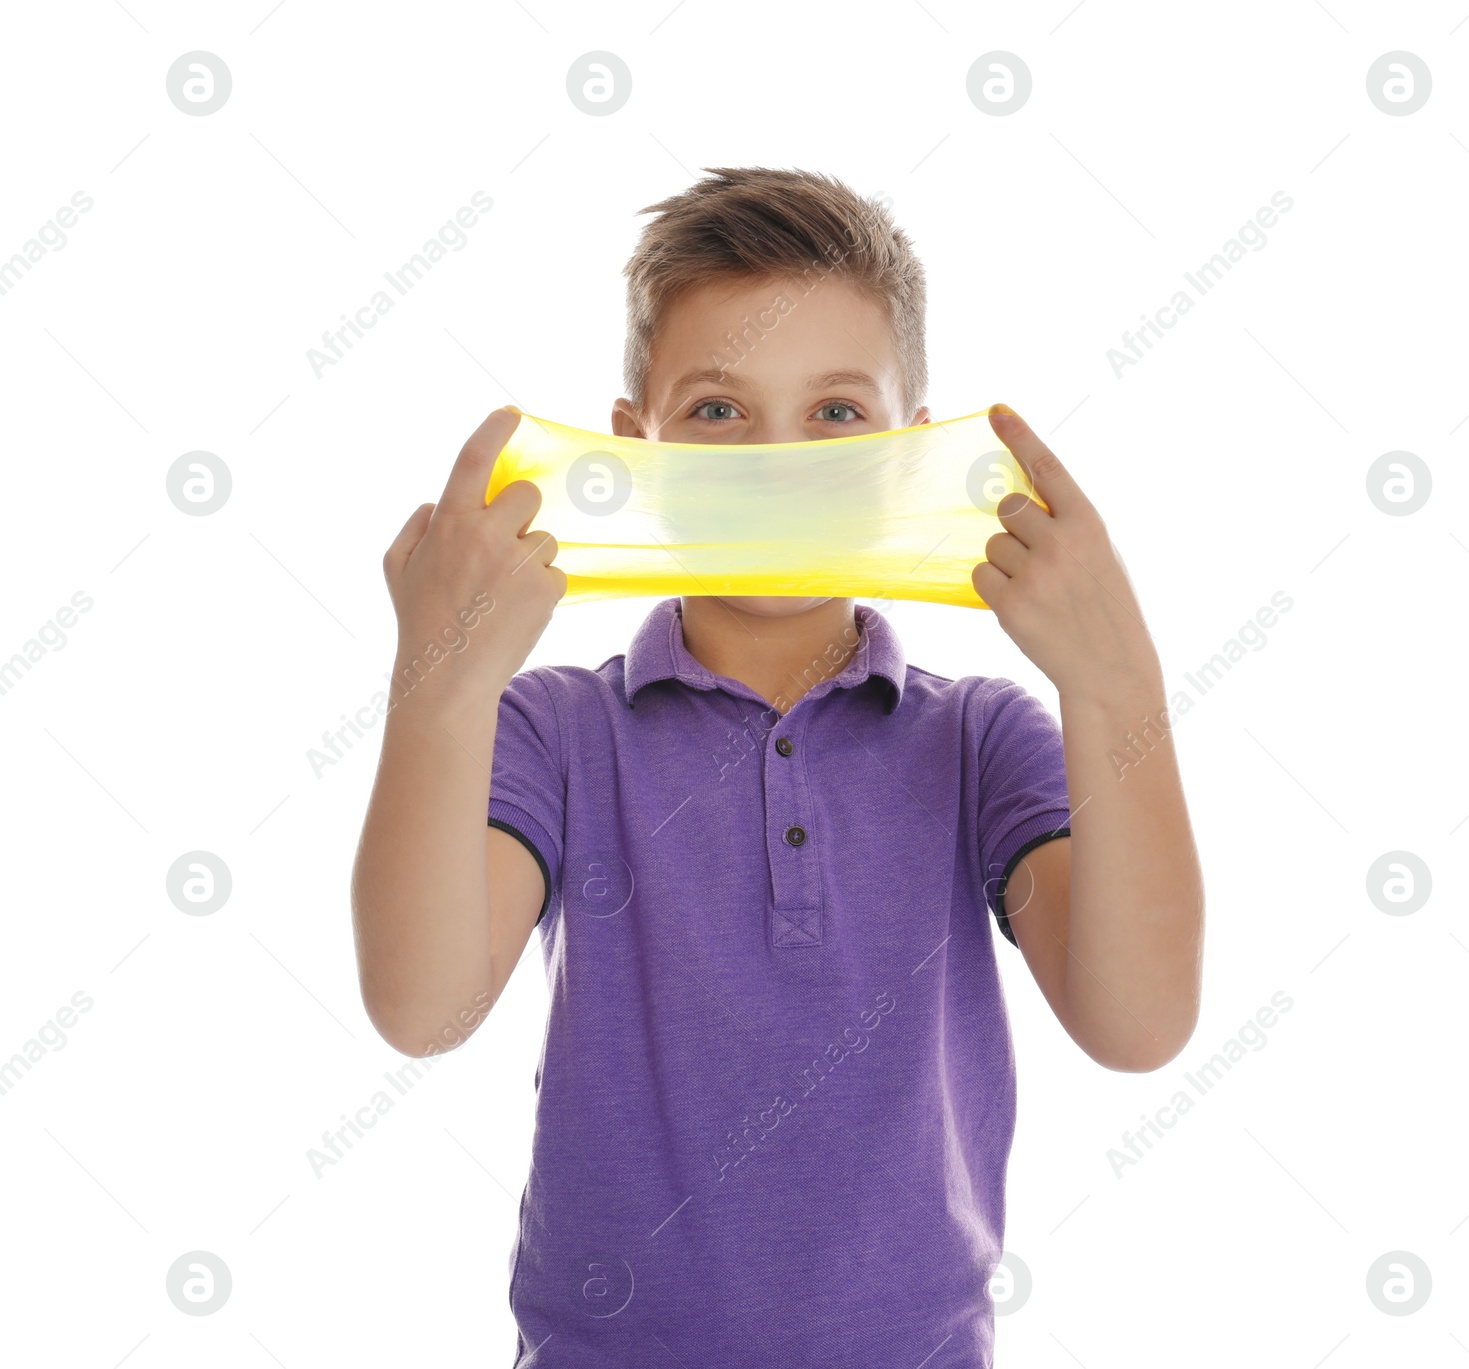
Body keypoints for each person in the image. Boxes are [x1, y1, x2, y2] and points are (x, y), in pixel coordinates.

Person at [353, 166, 1203, 1365]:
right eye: (715, 412)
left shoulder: (980, 741)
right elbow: (421, 1005)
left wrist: (1117, 687)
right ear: (633, 446)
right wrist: (439, 686)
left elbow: (1140, 1021)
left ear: (910, 451)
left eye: (836, 414)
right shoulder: (552, 732)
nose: (777, 462)